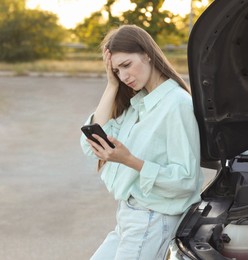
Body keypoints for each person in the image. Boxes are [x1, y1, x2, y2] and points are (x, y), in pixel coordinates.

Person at [80, 24, 204, 259]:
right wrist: (111, 85)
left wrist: (129, 160)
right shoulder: (140, 104)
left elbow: (185, 180)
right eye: (117, 70)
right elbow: (90, 146)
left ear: (147, 54)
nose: (124, 76)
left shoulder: (176, 104)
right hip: (129, 216)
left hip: (153, 219)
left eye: (127, 65)